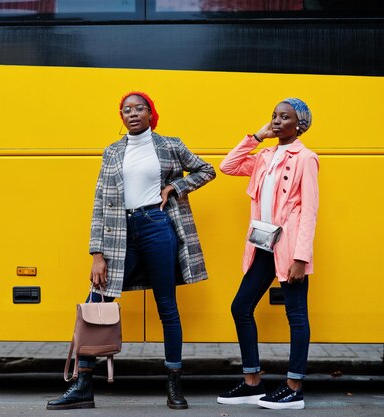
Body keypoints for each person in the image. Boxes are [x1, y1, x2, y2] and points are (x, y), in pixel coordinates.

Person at [46, 91, 216, 410]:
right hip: (119, 232)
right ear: (121, 117)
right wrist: (97, 253)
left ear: (152, 114)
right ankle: (83, 386)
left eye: (140, 108)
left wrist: (175, 187)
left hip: (156, 224)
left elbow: (206, 170)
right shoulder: (112, 152)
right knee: (96, 301)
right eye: (126, 110)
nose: (133, 113)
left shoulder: (170, 145)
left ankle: (174, 387)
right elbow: (100, 201)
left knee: (167, 305)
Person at [216, 98, 318, 410]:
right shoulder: (265, 156)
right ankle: (252, 382)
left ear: (298, 125)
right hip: (262, 244)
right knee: (241, 307)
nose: (276, 120)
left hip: (289, 249)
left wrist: (301, 257)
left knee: (296, 314)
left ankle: (293, 386)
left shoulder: (306, 158)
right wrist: (258, 135)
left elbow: (310, 211)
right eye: (273, 115)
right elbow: (228, 166)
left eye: (283, 117)